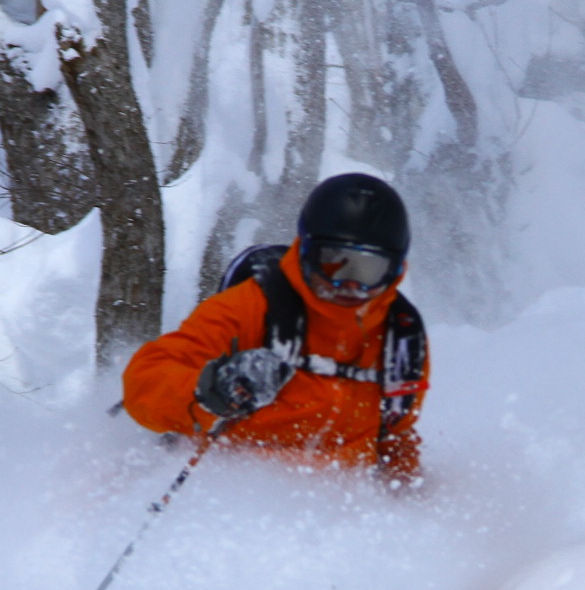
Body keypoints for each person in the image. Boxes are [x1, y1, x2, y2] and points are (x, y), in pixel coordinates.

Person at [122, 173, 428, 478]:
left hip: (343, 508)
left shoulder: (400, 340)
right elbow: (144, 380)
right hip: (227, 496)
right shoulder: (253, 307)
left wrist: (411, 500)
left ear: (395, 271)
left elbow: (394, 438)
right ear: (306, 252)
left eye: (368, 270)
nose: (348, 285)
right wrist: (213, 387)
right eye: (333, 262)